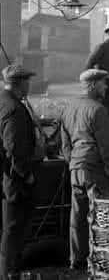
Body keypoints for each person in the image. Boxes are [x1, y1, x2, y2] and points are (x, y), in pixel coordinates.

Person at [60, 69, 109, 271]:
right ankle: (100, 261)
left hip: (75, 168)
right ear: (94, 84)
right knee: (101, 216)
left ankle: (76, 260)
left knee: (77, 217)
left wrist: (73, 162)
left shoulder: (69, 107)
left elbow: (65, 144)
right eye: (103, 83)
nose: (106, 87)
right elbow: (106, 148)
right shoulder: (98, 110)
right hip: (93, 170)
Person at [0, 64, 37, 280]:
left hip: (5, 177)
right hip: (14, 182)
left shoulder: (2, 102)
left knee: (7, 230)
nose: (29, 84)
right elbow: (15, 150)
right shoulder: (14, 109)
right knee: (13, 231)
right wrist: (27, 175)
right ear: (19, 83)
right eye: (27, 81)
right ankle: (9, 275)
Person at [85, 21, 109, 152]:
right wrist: (97, 81)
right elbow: (88, 65)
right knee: (103, 116)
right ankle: (101, 147)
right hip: (104, 87)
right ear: (108, 33)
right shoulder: (101, 47)